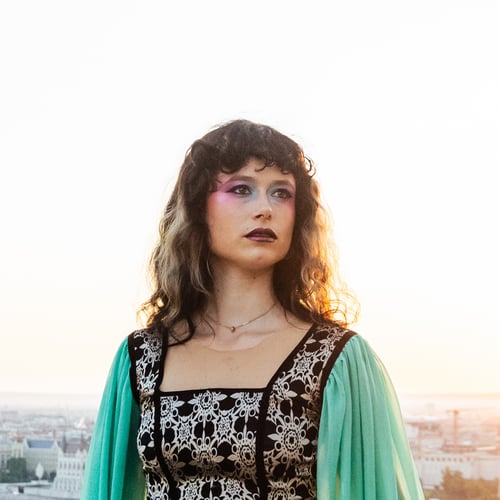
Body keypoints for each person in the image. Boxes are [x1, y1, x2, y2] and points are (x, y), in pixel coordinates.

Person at [82, 119, 424, 499]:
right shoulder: (142, 357)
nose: (265, 209)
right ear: (198, 208)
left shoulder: (336, 360)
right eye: (241, 189)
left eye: (281, 193)